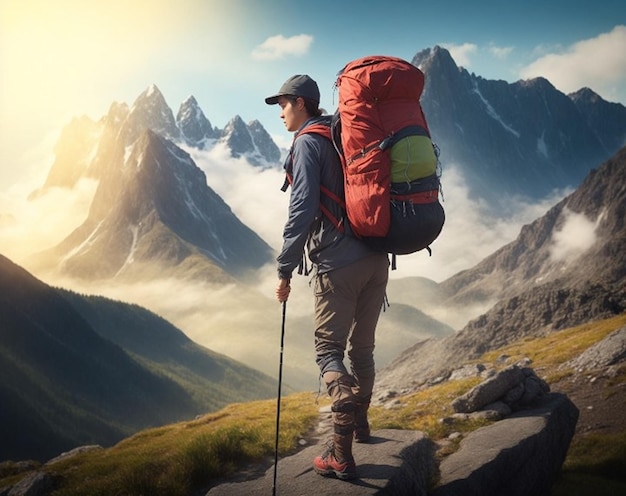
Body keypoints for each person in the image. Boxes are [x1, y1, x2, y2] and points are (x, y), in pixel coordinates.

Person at [265, 74, 389, 480]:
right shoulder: (342, 134)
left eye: (283, 104)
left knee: (328, 352)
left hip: (339, 264)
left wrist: (284, 269)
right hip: (377, 256)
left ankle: (340, 454)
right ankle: (361, 426)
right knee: (363, 350)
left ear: (301, 103)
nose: (281, 113)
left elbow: (301, 210)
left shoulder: (307, 142)